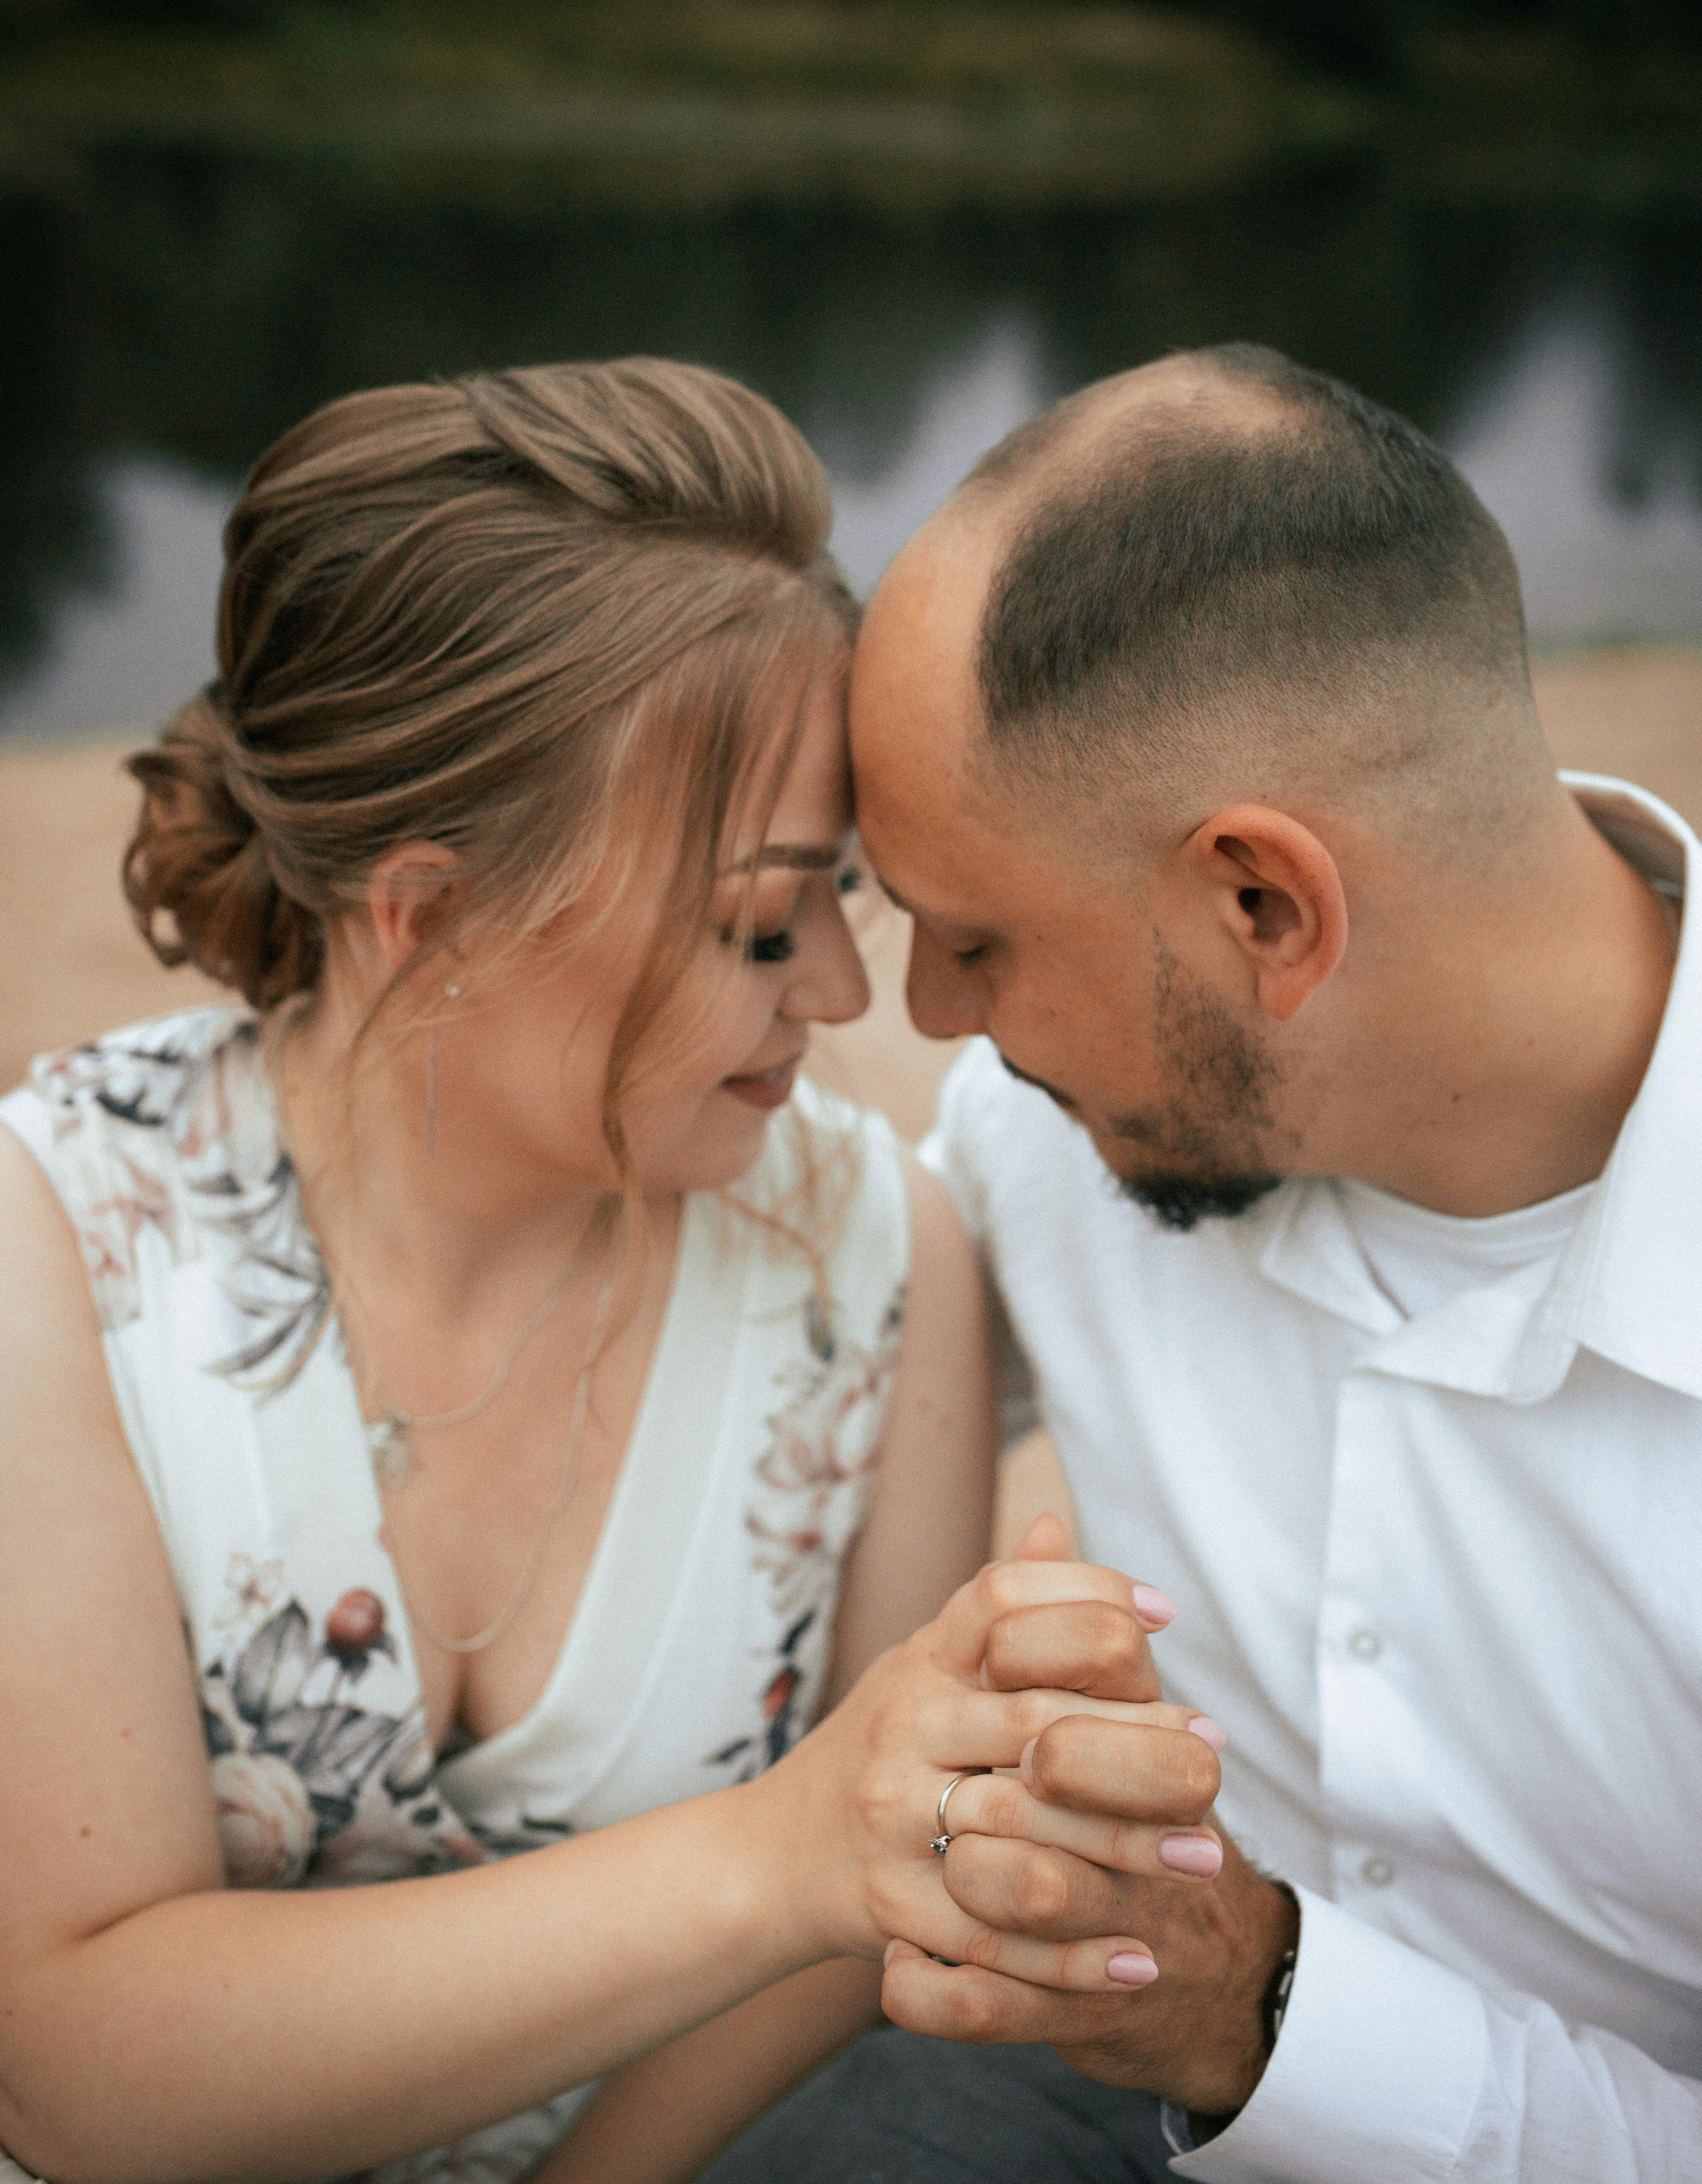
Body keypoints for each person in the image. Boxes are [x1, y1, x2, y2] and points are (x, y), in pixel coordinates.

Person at [0, 358, 1227, 2184]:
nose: (836, 993)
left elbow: (844, 1952)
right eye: (753, 921)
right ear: (430, 919)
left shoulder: (880, 1249)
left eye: (843, 897)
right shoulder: (51, 1250)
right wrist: (782, 1851)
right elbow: (81, 2073)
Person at [699, 344, 1702, 2181]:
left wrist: (1264, 2011)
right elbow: (756, 1359)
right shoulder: (1048, 1137)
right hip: (1102, 2093)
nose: (926, 1015)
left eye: (976, 939)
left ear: (1264, 906)